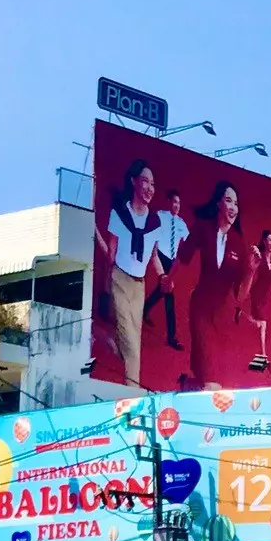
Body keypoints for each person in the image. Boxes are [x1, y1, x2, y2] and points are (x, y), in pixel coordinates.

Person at [184, 179, 258, 389]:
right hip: (201, 309)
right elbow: (183, 258)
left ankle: (186, 385)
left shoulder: (239, 243)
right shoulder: (203, 229)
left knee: (209, 379)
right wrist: (167, 279)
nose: (233, 207)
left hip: (222, 318)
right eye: (228, 201)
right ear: (218, 203)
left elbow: (241, 295)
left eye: (236, 203)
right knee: (211, 384)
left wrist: (251, 270)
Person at [99, 160, 163, 387]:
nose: (149, 188)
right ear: (133, 182)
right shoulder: (119, 214)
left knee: (132, 341)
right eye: (145, 181)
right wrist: (107, 287)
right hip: (119, 279)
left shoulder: (155, 222)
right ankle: (133, 394)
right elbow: (111, 253)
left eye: (153, 184)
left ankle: (110, 339)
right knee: (133, 348)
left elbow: (154, 256)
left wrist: (163, 276)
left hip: (139, 285)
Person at [141, 191, 190, 351]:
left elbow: (188, 240)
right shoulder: (161, 216)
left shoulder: (181, 223)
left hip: (171, 260)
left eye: (179, 203)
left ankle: (145, 308)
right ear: (169, 202)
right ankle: (171, 337)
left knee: (162, 291)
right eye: (174, 201)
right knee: (169, 296)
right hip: (161, 255)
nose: (176, 205)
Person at [242, 229, 271, 371]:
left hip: (263, 298)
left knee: (260, 325)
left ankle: (240, 314)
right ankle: (263, 357)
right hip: (256, 294)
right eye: (269, 240)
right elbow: (252, 267)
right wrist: (254, 253)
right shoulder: (262, 257)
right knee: (262, 325)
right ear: (265, 242)